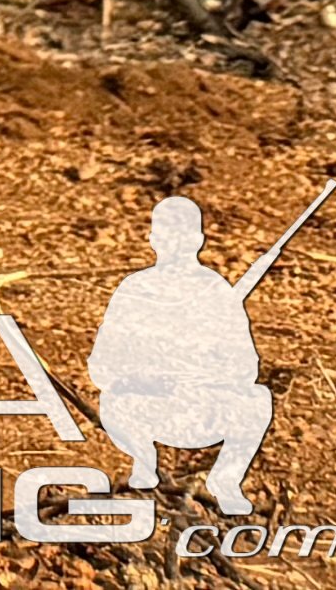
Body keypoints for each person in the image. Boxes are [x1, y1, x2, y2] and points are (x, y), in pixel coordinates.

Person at [91, 193, 277, 511]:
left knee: (258, 399)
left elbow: (247, 367)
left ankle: (225, 481)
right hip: (145, 408)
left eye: (183, 235)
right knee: (112, 400)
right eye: (166, 234)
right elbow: (101, 367)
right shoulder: (134, 289)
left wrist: (207, 373)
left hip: (201, 408)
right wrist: (147, 376)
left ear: (198, 239)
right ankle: (144, 464)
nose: (175, 243)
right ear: (153, 239)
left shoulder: (217, 290)